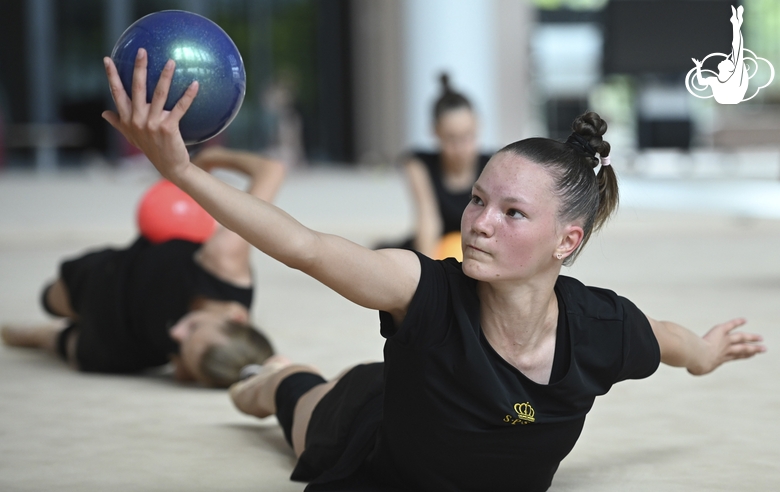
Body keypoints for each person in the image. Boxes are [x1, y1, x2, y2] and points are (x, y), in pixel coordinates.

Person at [100, 50, 766, 491]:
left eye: (512, 212)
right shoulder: (422, 289)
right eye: (477, 199)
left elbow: (669, 339)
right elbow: (305, 247)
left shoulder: (601, 327)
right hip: (367, 434)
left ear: (567, 241)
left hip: (409, 395)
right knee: (288, 396)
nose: (479, 222)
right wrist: (181, 172)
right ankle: (271, 372)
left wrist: (706, 353)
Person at [1, 145, 284, 387]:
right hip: (109, 276)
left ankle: (40, 336)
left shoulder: (208, 362)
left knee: (65, 346)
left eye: (182, 347)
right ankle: (46, 328)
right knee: (47, 299)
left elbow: (190, 369)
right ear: (237, 317)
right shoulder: (225, 258)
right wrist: (214, 156)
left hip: (117, 345)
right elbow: (271, 170)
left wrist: (188, 366)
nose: (175, 335)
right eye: (193, 328)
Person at [387, 73, 491, 258]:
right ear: (435, 131)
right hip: (435, 251)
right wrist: (428, 270)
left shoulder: (493, 164)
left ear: (478, 126)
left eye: (468, 136)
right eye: (451, 138)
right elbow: (428, 220)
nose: (461, 147)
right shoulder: (418, 164)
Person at [692, 5, 748, 104]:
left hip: (732, 97)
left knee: (736, 50)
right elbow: (701, 81)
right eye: (728, 61)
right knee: (736, 51)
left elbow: (737, 49)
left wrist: (698, 67)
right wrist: (698, 67)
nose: (725, 59)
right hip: (728, 98)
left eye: (727, 61)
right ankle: (736, 23)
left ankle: (736, 23)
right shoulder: (716, 80)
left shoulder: (732, 78)